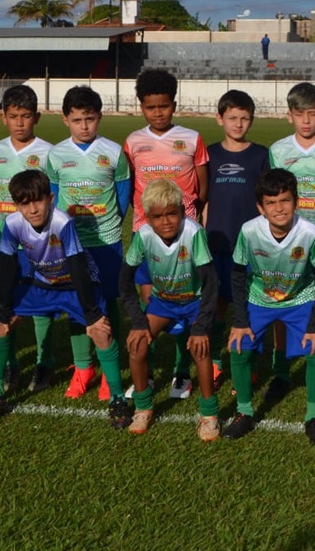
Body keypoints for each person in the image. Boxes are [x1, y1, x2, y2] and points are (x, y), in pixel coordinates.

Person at [0, 170, 132, 429]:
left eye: (38, 200)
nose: (33, 209)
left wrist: (91, 312)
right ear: (16, 205)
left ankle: (117, 398)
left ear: (51, 198)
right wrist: (2, 308)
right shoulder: (12, 224)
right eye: (24, 203)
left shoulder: (62, 221)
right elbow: (7, 265)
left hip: (76, 284)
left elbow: (77, 265)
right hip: (42, 283)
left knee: (100, 330)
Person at [224, 168, 315, 445]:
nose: (279, 208)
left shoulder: (310, 232)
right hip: (260, 297)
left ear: (296, 202)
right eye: (271, 203)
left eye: (285, 200)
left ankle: (314, 417)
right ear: (260, 208)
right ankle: (244, 412)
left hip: (300, 297)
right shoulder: (249, 231)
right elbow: (237, 274)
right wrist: (240, 320)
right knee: (239, 345)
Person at [123, 69, 209, 400]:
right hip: (147, 234)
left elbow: (202, 185)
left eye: (164, 106)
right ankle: (148, 371)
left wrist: (194, 217)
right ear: (141, 107)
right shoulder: (133, 141)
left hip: (184, 234)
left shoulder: (192, 138)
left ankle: (181, 371)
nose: (158, 113)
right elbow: (130, 183)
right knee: (153, 302)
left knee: (185, 299)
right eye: (150, 107)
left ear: (174, 104)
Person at [46, 85, 132, 401]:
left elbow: (122, 192)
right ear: (65, 120)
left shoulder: (113, 152)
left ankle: (110, 370)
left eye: (90, 119)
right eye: (77, 120)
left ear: (99, 117)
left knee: (109, 300)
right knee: (76, 302)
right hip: (71, 242)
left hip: (107, 240)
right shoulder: (56, 154)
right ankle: (83, 367)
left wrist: (111, 221)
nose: (84, 126)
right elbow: (54, 195)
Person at [119, 180, 219, 438]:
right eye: (157, 216)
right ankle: (143, 408)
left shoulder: (193, 232)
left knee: (200, 348)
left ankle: (209, 415)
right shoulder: (143, 236)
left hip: (195, 301)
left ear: (182, 212)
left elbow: (210, 283)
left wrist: (200, 326)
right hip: (163, 302)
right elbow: (125, 281)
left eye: (172, 214)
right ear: (147, 218)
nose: (165, 222)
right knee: (137, 345)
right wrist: (138, 322)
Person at [266, 82, 315, 403]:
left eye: (312, 114)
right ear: (289, 116)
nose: (306, 121)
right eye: (300, 114)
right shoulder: (279, 150)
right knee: (282, 303)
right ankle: (281, 372)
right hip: (286, 242)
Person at [0, 84, 56, 392]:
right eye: (13, 116)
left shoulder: (48, 152)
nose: (19, 123)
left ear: (36, 117)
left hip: (36, 238)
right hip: (2, 235)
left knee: (40, 298)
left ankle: (44, 362)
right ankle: (11, 363)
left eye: (25, 116)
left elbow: (51, 195)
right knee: (7, 297)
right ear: (3, 117)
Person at [203, 90, 269, 387]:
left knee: (249, 306)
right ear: (220, 119)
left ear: (252, 120)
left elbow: (266, 201)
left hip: (250, 247)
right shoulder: (210, 154)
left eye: (244, 118)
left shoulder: (260, 155)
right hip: (217, 243)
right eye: (232, 118)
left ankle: (249, 362)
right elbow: (205, 199)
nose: (238, 124)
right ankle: (216, 363)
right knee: (216, 305)